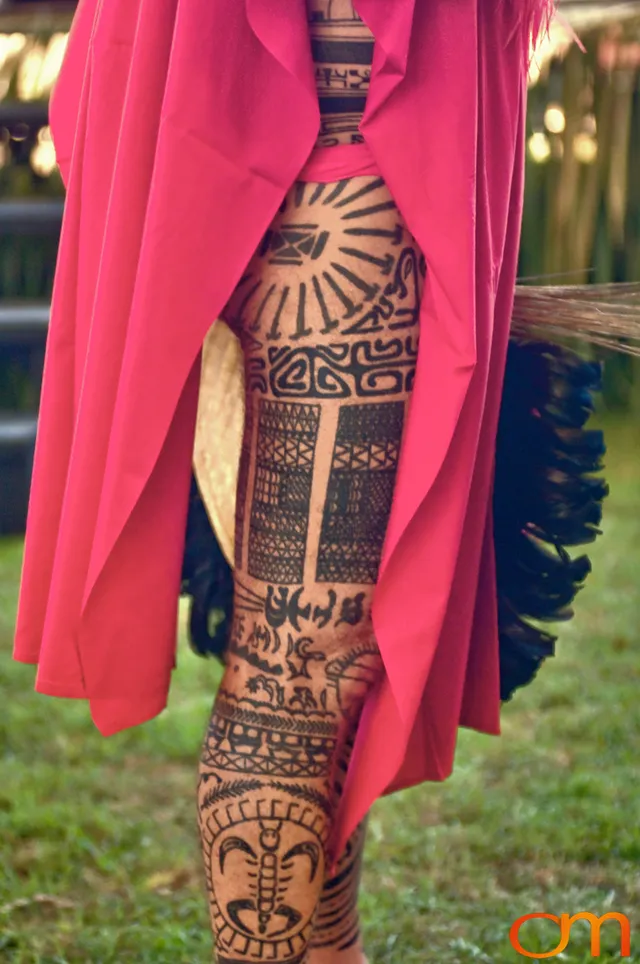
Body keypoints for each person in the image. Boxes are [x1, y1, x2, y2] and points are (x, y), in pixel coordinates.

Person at [13, 1, 608, 962]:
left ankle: (330, 950)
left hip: (323, 128)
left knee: (334, 661)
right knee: (305, 662)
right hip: (337, 133)